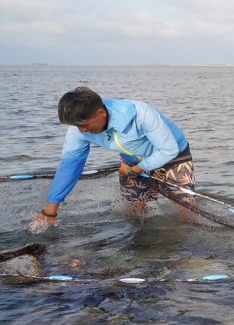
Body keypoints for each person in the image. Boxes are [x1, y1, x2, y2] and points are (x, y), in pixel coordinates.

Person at [27, 87, 194, 234]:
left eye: (83, 125)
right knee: (133, 212)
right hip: (131, 162)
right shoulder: (78, 130)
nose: (81, 130)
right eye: (76, 126)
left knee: (185, 211)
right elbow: (70, 166)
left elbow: (168, 149)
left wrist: (136, 169)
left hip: (174, 157)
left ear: (101, 113)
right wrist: (51, 209)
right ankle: (141, 245)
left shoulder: (141, 114)